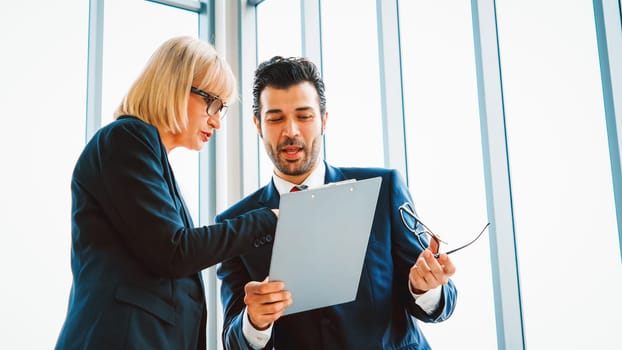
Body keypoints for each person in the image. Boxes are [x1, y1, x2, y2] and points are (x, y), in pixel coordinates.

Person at [216, 56, 458, 350]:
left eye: (304, 116)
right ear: (258, 124)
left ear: (324, 120)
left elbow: (438, 303)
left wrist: (425, 287)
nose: (290, 130)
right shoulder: (233, 224)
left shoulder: (384, 189)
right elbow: (233, 340)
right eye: (276, 118)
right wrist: (255, 321)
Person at [55, 36, 278, 350]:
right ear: (175, 86)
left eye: (221, 109)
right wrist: (265, 221)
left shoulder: (151, 161)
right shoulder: (125, 139)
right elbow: (175, 252)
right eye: (211, 102)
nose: (216, 120)